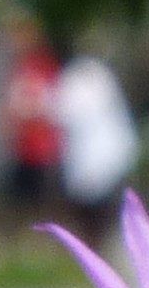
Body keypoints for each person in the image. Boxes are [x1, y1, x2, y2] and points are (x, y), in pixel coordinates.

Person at [54, 42, 139, 223]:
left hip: (99, 152)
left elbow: (65, 111)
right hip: (94, 152)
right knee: (92, 199)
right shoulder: (94, 74)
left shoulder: (82, 77)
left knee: (97, 201)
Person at [0, 17, 63, 231]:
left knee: (40, 198)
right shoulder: (20, 67)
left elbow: (45, 103)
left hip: (40, 147)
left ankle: (41, 239)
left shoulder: (40, 66)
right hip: (24, 147)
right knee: (19, 198)